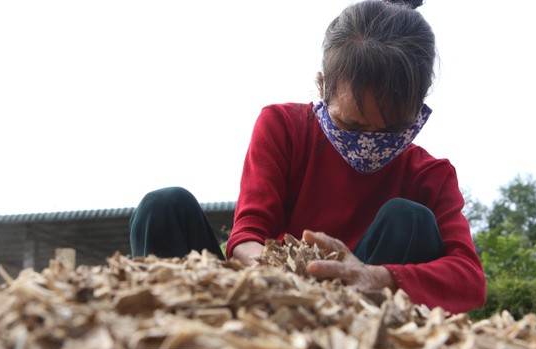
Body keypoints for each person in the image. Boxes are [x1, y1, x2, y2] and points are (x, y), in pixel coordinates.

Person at [129, 0, 486, 314]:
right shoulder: (284, 127)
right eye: (351, 123)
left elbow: (470, 280)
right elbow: (248, 235)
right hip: (268, 302)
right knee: (163, 207)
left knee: (408, 218)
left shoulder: (429, 175)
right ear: (322, 87)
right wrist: (286, 280)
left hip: (362, 325)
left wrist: (375, 276)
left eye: (392, 130)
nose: (369, 141)